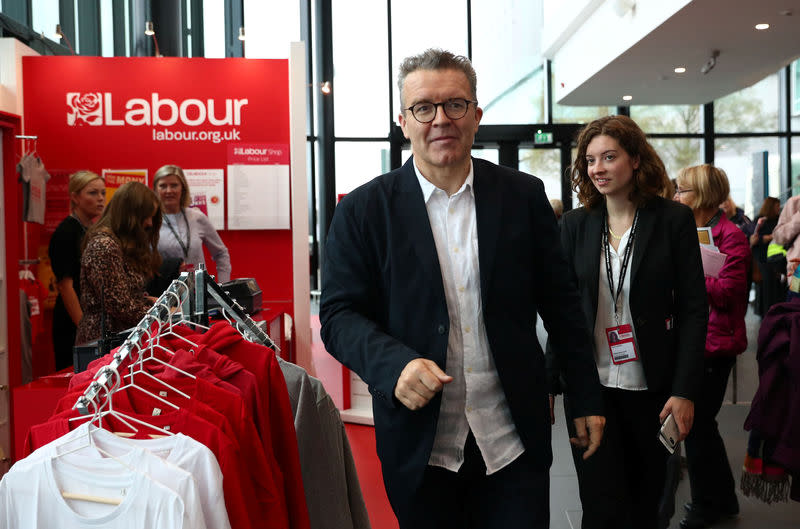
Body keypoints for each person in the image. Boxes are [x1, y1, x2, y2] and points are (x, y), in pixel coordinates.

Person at [319, 48, 605, 529]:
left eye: (455, 104)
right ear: (403, 121)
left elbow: (562, 307)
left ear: (476, 114)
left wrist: (585, 397)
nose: (440, 119)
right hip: (420, 446)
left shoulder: (523, 196)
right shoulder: (364, 211)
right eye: (423, 108)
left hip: (512, 437)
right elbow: (339, 316)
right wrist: (394, 365)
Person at [553, 115, 707, 529]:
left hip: (654, 391)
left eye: (609, 157)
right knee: (600, 507)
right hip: (591, 391)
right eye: (590, 160)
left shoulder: (672, 221)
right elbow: (563, 315)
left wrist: (685, 390)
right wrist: (549, 387)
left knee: (648, 506)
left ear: (636, 160)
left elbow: (695, 308)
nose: (598, 168)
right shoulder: (575, 226)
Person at [674, 164, 750, 529]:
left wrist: (694, 270)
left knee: (698, 425)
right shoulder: (684, 230)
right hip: (689, 340)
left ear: (702, 194)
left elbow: (728, 293)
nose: (676, 196)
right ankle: (722, 498)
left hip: (715, 346)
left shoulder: (729, 236)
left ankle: (708, 504)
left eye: (683, 190)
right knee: (702, 426)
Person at [75, 182, 161, 345]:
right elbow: (120, 306)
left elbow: (121, 298)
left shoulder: (116, 244)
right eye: (146, 217)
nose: (149, 223)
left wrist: (147, 302)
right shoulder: (104, 246)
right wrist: (163, 312)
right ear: (130, 215)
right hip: (105, 345)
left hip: (118, 340)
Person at [48, 170, 105, 370]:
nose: (100, 199)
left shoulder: (88, 230)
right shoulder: (66, 232)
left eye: (102, 193)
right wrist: (84, 329)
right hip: (73, 322)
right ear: (75, 197)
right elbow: (65, 286)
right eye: (92, 193)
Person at [153, 164, 231, 283]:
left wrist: (223, 286)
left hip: (198, 292)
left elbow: (221, 253)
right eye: (163, 186)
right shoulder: (150, 221)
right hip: (164, 295)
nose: (168, 191)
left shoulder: (197, 217)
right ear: (156, 190)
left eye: (174, 185)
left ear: (182, 188)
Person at [750, 197, 784, 315]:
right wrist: (769, 237)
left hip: (776, 259)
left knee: (774, 287)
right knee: (765, 287)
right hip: (762, 258)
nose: (778, 208)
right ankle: (765, 312)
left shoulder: (779, 220)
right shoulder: (760, 220)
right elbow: (754, 238)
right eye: (776, 206)